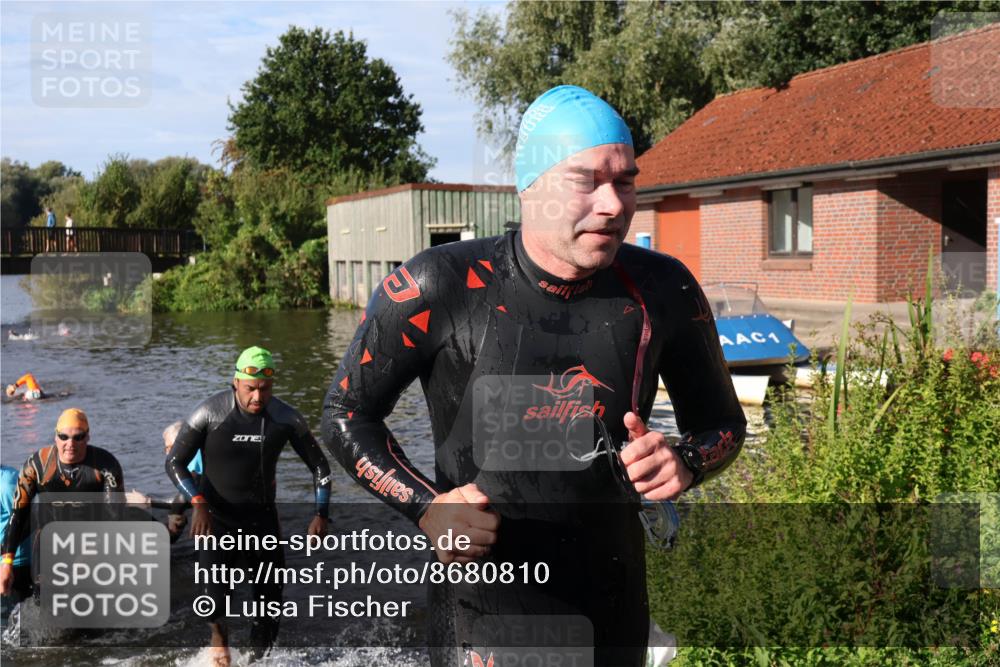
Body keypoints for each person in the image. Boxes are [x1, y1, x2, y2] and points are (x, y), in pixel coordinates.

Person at [322, 85, 747, 666]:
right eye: (586, 181)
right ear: (531, 187)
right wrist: (427, 506)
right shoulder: (438, 285)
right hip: (481, 618)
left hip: (612, 613)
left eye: (625, 182)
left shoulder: (664, 287)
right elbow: (346, 415)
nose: (613, 204)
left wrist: (687, 461)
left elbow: (723, 424)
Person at [165, 346, 333, 665]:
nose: (258, 397)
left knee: (270, 606)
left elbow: (320, 467)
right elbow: (174, 462)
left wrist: (321, 514)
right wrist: (197, 502)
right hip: (216, 521)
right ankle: (220, 640)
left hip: (262, 521)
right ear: (236, 383)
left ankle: (259, 661)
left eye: (265, 389)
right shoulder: (209, 412)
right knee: (214, 602)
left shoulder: (286, 417)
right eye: (251, 388)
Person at [0, 409, 125, 597]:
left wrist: (91, 553)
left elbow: (114, 519)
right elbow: (18, 515)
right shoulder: (36, 465)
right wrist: (6, 563)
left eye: (78, 437)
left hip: (95, 539)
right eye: (64, 437)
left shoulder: (106, 465)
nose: (70, 444)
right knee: (44, 600)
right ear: (56, 437)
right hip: (50, 542)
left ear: (87, 437)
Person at [0, 465, 31, 623]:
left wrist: (5, 556)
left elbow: (27, 521)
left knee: (15, 627)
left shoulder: (7, 483)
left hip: (16, 566)